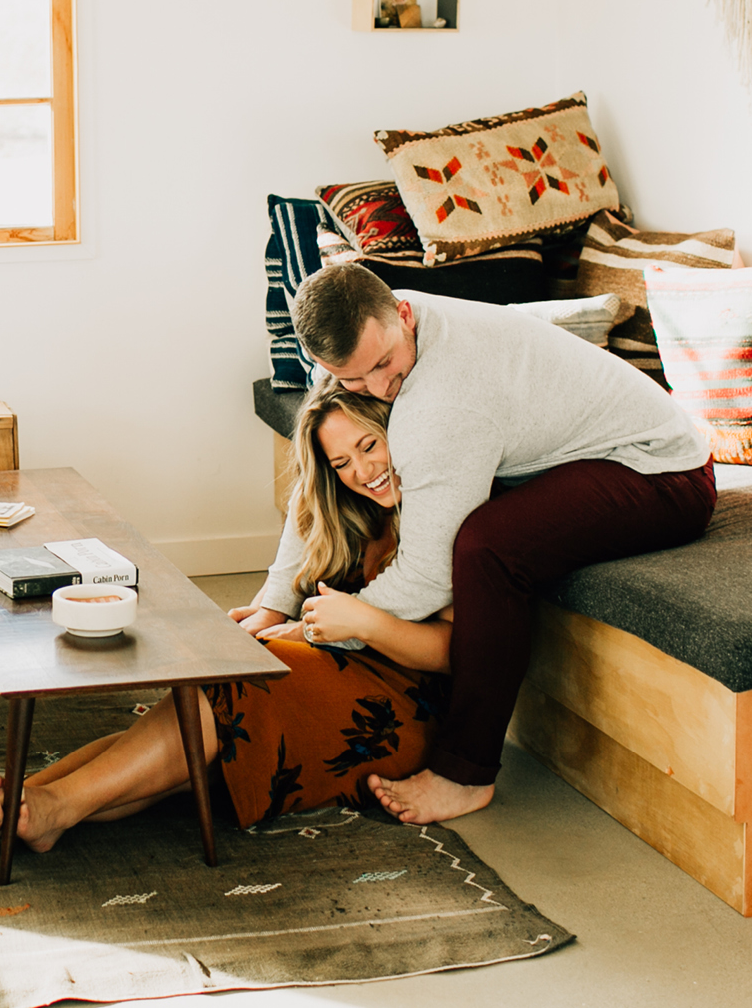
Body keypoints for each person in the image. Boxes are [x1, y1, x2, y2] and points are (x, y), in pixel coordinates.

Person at [241, 261, 715, 826]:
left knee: (487, 546)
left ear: (404, 313)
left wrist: (322, 628)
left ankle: (465, 773)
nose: (376, 389)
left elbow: (427, 577)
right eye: (351, 379)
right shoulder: (367, 334)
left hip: (658, 472)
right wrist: (275, 601)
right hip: (569, 452)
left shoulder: (446, 400)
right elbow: (315, 480)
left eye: (384, 368)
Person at [0, 382, 453, 857]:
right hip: (335, 673)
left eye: (370, 446)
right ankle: (19, 805)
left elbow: (451, 653)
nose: (363, 471)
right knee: (208, 709)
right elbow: (283, 598)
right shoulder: (345, 505)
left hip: (403, 709)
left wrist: (362, 623)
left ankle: (44, 807)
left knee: (235, 693)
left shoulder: (442, 512)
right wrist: (248, 628)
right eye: (342, 462)